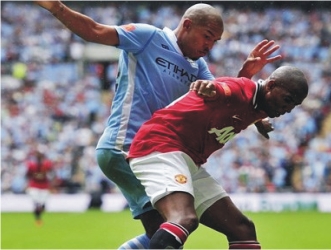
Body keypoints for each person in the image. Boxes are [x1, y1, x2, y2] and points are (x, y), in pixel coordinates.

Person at [34, 1, 282, 248]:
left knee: (166, 235)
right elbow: (95, 30)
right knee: (176, 225)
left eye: (215, 41)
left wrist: (246, 80)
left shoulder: (198, 66)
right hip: (125, 146)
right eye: (207, 37)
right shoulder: (148, 37)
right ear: (187, 25)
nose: (209, 46)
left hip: (161, 152)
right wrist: (57, 7)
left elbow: (223, 99)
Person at [127, 65, 309, 248]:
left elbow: (245, 104)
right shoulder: (240, 90)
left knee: (243, 230)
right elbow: (223, 89)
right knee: (184, 218)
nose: (288, 109)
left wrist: (257, 121)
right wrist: (210, 88)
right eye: (287, 100)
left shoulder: (260, 107)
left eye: (294, 105)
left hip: (186, 159)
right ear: (270, 85)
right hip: (158, 146)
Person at [25, 145, 55, 226]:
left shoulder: (47, 164)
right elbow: (27, 175)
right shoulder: (31, 164)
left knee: (43, 205)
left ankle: (39, 216)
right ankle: (38, 219)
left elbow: (52, 173)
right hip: (34, 185)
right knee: (36, 203)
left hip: (44, 186)